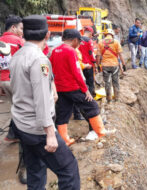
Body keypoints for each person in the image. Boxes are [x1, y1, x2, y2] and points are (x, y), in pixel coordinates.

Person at [10, 15, 80, 190]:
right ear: (47, 35)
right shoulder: (39, 60)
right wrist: (49, 132)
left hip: (21, 124)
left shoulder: (18, 55)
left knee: (36, 169)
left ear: (23, 34)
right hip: (38, 128)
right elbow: (40, 98)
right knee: (68, 169)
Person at [50, 29, 114, 143]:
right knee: (92, 106)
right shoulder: (70, 51)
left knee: (63, 113)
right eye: (79, 42)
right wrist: (85, 90)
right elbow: (76, 72)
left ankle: (64, 140)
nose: (79, 45)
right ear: (75, 40)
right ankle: (100, 133)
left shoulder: (54, 51)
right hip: (73, 87)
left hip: (60, 88)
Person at [0, 15, 24, 142]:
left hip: (3, 81)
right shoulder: (18, 41)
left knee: (15, 107)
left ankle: (13, 134)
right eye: (21, 28)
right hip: (15, 80)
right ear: (13, 27)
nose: (22, 32)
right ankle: (15, 135)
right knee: (23, 108)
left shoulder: (0, 40)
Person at [97, 29, 125, 103]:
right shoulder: (116, 42)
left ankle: (109, 99)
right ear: (112, 35)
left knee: (107, 83)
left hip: (105, 65)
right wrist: (123, 65)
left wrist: (97, 65)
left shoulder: (100, 42)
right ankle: (117, 98)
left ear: (105, 35)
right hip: (114, 65)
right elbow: (120, 55)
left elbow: (98, 56)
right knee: (115, 82)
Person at [78, 26, 96, 96]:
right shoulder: (89, 41)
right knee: (90, 83)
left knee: (81, 83)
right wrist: (94, 62)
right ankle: (90, 98)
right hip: (88, 65)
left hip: (80, 65)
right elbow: (91, 53)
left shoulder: (78, 39)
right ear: (90, 33)